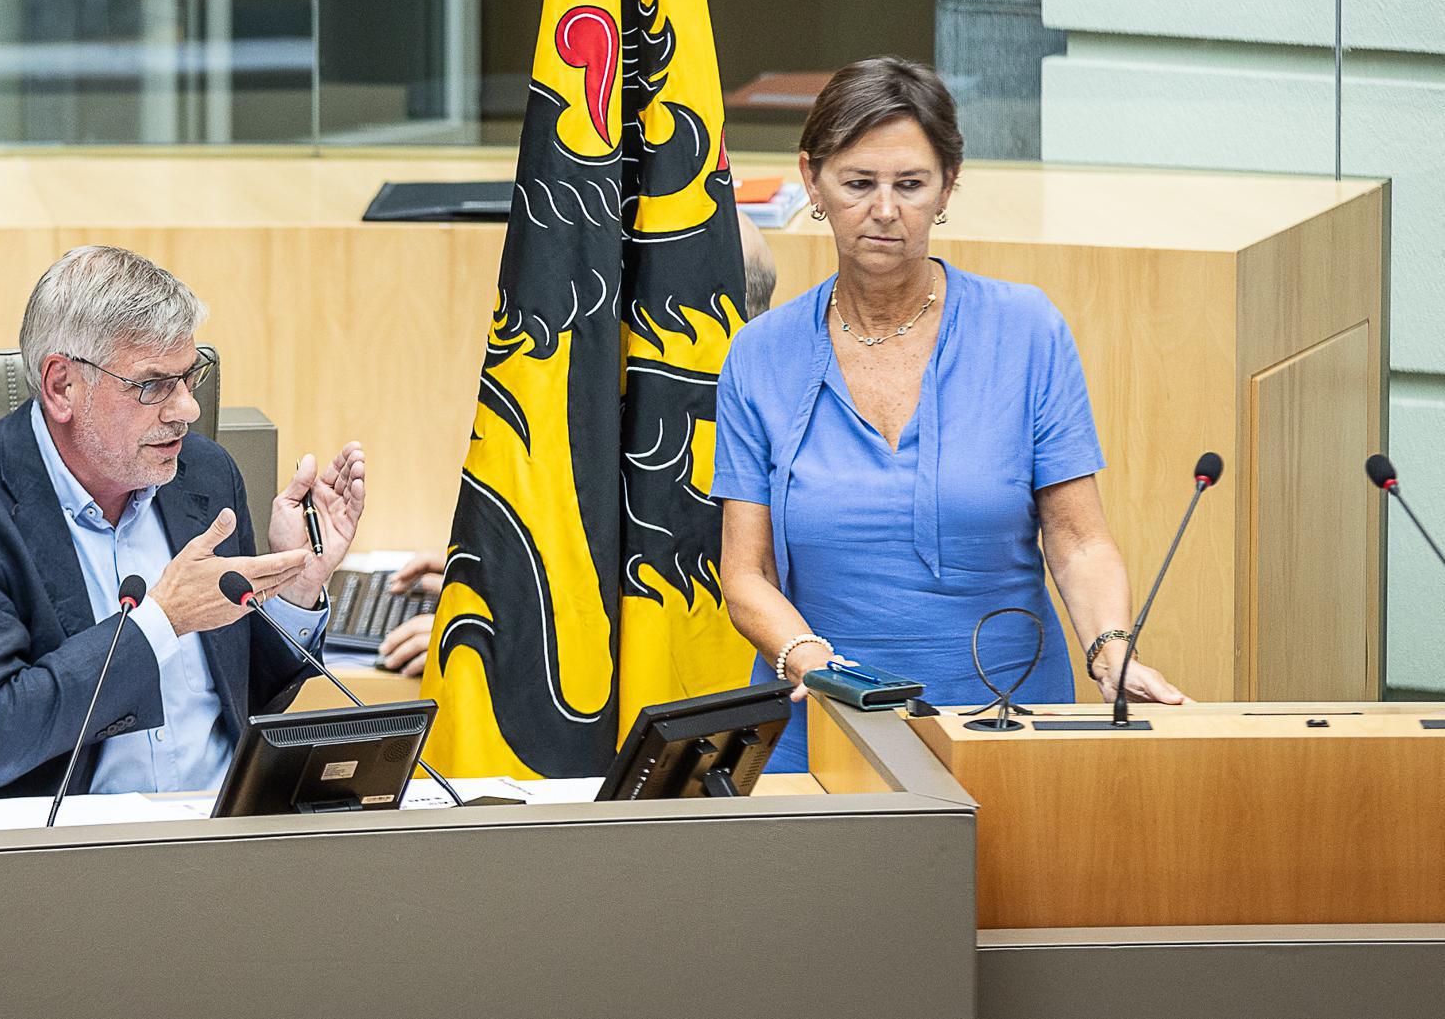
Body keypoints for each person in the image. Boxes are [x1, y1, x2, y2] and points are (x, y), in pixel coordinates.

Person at [713, 56, 1182, 772]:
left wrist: (1110, 650)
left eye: (910, 184)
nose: (884, 210)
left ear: (947, 188)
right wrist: (810, 660)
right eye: (858, 183)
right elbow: (746, 572)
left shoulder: (1027, 330)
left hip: (1008, 723)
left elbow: (1080, 542)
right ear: (812, 180)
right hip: (822, 733)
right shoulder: (761, 354)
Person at [0, 245, 366, 799]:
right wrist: (162, 621)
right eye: (152, 385)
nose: (186, 409)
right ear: (62, 387)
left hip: (222, 840)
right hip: (63, 858)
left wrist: (296, 589)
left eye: (190, 377)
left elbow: (246, 697)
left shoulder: (203, 476)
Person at [372, 212, 782, 678]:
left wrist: (492, 641)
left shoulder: (735, 451)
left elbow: (671, 634)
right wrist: (506, 585)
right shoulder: (679, 418)